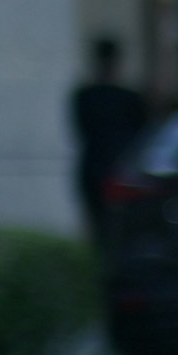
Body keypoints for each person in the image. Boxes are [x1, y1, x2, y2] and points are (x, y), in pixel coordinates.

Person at [70, 36, 148, 239]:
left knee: (101, 231)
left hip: (97, 168)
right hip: (118, 169)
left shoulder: (85, 96)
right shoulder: (129, 99)